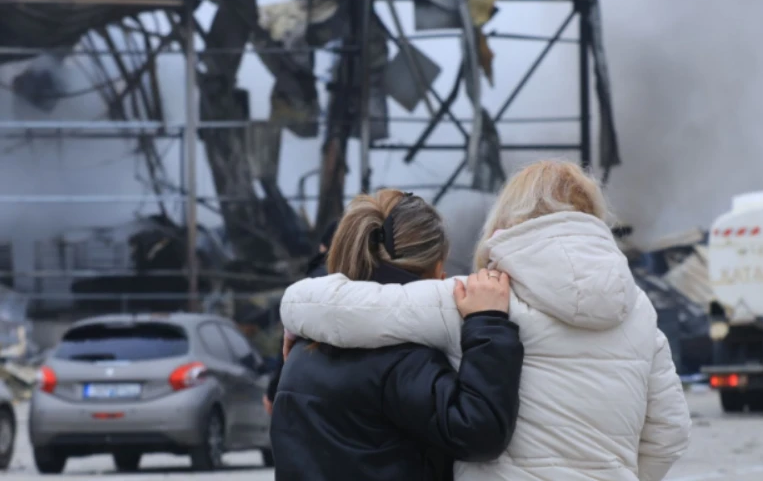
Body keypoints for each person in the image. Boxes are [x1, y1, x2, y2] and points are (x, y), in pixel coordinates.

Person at [281, 160, 692, 481]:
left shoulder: (484, 296)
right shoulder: (638, 310)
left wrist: (296, 309)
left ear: (508, 218)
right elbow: (670, 431)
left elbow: (355, 310)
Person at [271, 189, 524, 480]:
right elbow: (480, 433)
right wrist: (489, 322)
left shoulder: (301, 351)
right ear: (437, 269)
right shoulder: (404, 360)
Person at [263, 220, 339, 415]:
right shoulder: (368, 280)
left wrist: (272, 391)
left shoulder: (311, 284)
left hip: (313, 384)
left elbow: (287, 345)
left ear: (323, 247)